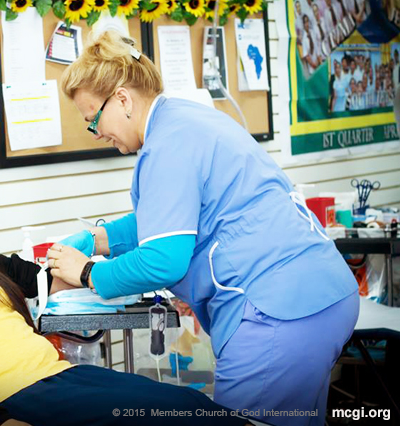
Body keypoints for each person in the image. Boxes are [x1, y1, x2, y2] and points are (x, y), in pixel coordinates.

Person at [50, 31, 359, 426]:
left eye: (93, 118)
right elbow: (168, 218)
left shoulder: (167, 144)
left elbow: (164, 260)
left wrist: (88, 272)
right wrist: (98, 239)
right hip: (320, 296)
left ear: (123, 99)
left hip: (279, 313)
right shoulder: (184, 120)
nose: (95, 133)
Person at [0, 159, 253, 426]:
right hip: (12, 397)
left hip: (62, 376)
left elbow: (46, 278)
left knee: (199, 410)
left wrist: (93, 256)